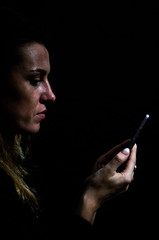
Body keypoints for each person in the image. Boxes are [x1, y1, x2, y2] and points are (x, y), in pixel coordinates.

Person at [0, 5, 137, 239]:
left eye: (48, 79)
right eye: (35, 80)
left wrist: (90, 188)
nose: (50, 95)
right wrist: (90, 199)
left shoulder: (24, 165)